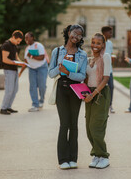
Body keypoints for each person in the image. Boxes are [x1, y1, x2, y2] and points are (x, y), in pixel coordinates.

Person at [48, 25, 87, 170]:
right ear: (68, 33)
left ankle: (73, 158)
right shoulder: (57, 51)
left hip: (75, 89)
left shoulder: (82, 54)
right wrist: (60, 68)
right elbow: (51, 73)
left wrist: (69, 73)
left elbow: (82, 76)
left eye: (79, 35)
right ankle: (63, 159)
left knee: (74, 124)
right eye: (74, 33)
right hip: (61, 89)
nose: (76, 36)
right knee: (64, 124)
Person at [84, 33, 111, 169]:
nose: (95, 45)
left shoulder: (105, 57)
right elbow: (86, 78)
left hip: (100, 94)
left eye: (98, 43)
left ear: (103, 45)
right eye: (93, 42)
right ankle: (96, 154)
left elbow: (106, 78)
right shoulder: (88, 59)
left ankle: (104, 156)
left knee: (96, 127)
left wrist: (93, 94)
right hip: (89, 93)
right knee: (89, 127)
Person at [19, 32, 48, 112]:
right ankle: (35, 104)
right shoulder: (27, 49)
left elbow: (42, 57)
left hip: (42, 68)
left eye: (27, 37)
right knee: (32, 86)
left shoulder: (39, 45)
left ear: (32, 37)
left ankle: (41, 100)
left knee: (42, 86)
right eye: (25, 38)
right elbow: (26, 62)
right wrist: (20, 72)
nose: (26, 39)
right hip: (32, 69)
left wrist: (31, 56)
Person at [0, 30, 24, 115]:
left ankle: (8, 107)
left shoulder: (14, 46)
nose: (18, 43)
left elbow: (16, 58)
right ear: (13, 37)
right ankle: (3, 108)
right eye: (18, 41)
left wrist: (21, 63)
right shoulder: (6, 45)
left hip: (14, 70)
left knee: (15, 89)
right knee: (9, 90)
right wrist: (14, 63)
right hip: (8, 70)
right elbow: (4, 59)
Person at [101, 26, 115, 113]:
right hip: (101, 70)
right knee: (101, 88)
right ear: (105, 33)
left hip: (109, 70)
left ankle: (110, 105)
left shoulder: (110, 43)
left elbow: (111, 54)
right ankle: (102, 106)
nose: (111, 34)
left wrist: (112, 58)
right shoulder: (99, 42)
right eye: (110, 32)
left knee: (111, 87)